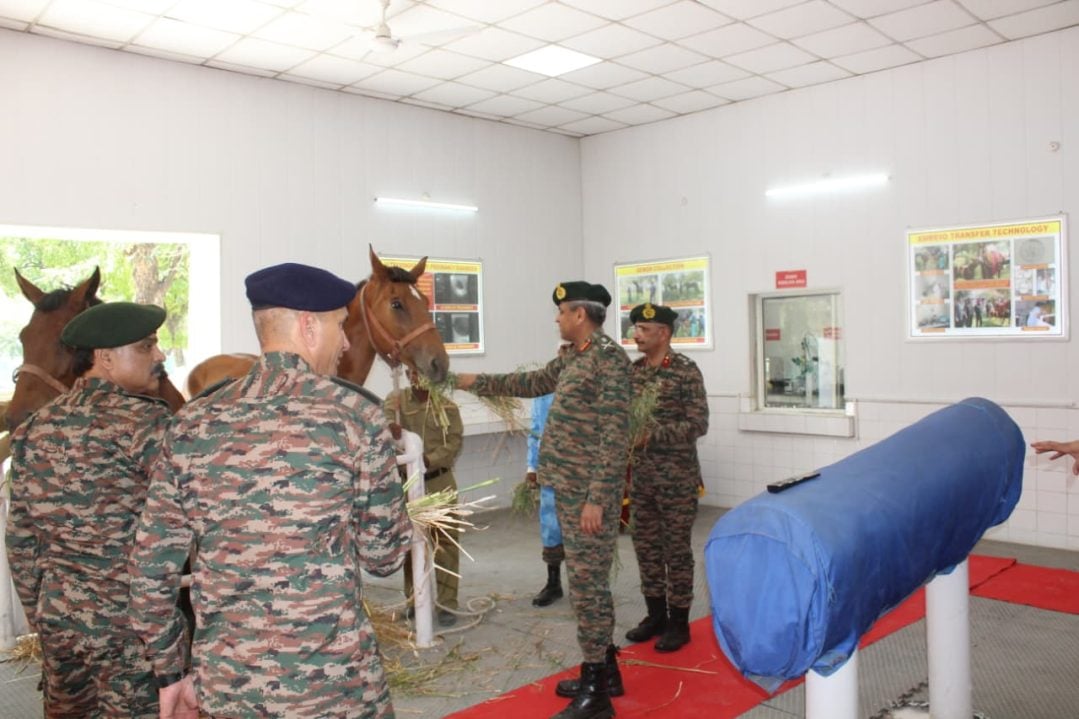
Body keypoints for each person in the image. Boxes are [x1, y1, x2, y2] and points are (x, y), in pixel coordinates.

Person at [128, 262, 412, 719]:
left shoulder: (191, 424)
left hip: (227, 685)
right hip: (337, 687)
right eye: (340, 326)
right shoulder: (356, 417)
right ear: (308, 326)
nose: (345, 343)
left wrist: (169, 671)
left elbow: (149, 572)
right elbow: (384, 557)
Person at [457, 281, 630, 719]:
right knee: (588, 583)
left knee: (588, 589)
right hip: (569, 488)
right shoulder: (572, 356)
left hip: (587, 495)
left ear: (580, 315)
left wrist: (597, 500)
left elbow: (614, 437)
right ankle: (606, 669)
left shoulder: (608, 361)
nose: (557, 318)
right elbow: (530, 382)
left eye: (562, 311)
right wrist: (469, 381)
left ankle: (596, 696)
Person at [7, 301, 173, 718]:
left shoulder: (34, 429)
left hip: (59, 622)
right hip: (131, 631)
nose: (160, 355)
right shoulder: (148, 425)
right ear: (105, 358)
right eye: (147, 346)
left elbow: (22, 542)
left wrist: (41, 617)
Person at [623, 303, 709, 653]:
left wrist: (651, 436)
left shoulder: (686, 371)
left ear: (664, 333)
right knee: (645, 548)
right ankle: (655, 615)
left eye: (644, 330)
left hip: (676, 478)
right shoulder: (635, 371)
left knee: (676, 550)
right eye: (636, 329)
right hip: (642, 479)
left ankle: (679, 623)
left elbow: (698, 424)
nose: (636, 335)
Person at [386, 366, 463, 628]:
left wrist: (426, 460)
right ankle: (414, 600)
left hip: (439, 482)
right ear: (407, 375)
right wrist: (393, 432)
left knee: (446, 545)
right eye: (412, 372)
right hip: (409, 486)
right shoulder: (395, 401)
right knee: (411, 546)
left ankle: (447, 604)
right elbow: (387, 436)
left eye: (421, 372)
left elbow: (453, 444)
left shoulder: (447, 407)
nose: (416, 377)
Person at [527, 392, 564, 607]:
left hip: (579, 471)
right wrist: (532, 466)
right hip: (549, 471)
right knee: (550, 526)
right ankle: (553, 583)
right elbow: (535, 430)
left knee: (583, 529)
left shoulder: (587, 384)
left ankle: (589, 586)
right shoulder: (543, 394)